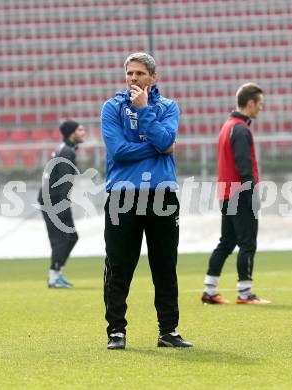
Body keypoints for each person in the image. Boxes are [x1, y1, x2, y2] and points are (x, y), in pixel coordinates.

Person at [101, 52, 193, 350]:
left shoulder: (168, 107)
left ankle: (168, 331)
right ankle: (116, 331)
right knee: (118, 265)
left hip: (161, 196)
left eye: (140, 73)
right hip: (122, 195)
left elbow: (166, 142)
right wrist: (157, 147)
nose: (133, 78)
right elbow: (119, 152)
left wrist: (144, 113)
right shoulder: (112, 108)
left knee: (165, 264)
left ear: (153, 78)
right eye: (129, 73)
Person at [202, 83, 271, 305]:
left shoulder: (227, 126)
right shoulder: (241, 129)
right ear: (250, 103)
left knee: (227, 241)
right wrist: (252, 193)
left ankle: (210, 289)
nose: (261, 108)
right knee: (248, 242)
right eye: (260, 104)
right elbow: (244, 166)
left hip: (226, 193)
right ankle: (245, 293)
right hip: (240, 193)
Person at [38, 119, 86, 288]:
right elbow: (64, 181)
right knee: (64, 239)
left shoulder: (64, 148)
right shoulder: (67, 152)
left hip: (53, 199)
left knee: (70, 237)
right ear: (72, 133)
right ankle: (53, 277)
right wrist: (62, 204)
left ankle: (57, 274)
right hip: (55, 201)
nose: (83, 132)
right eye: (80, 130)